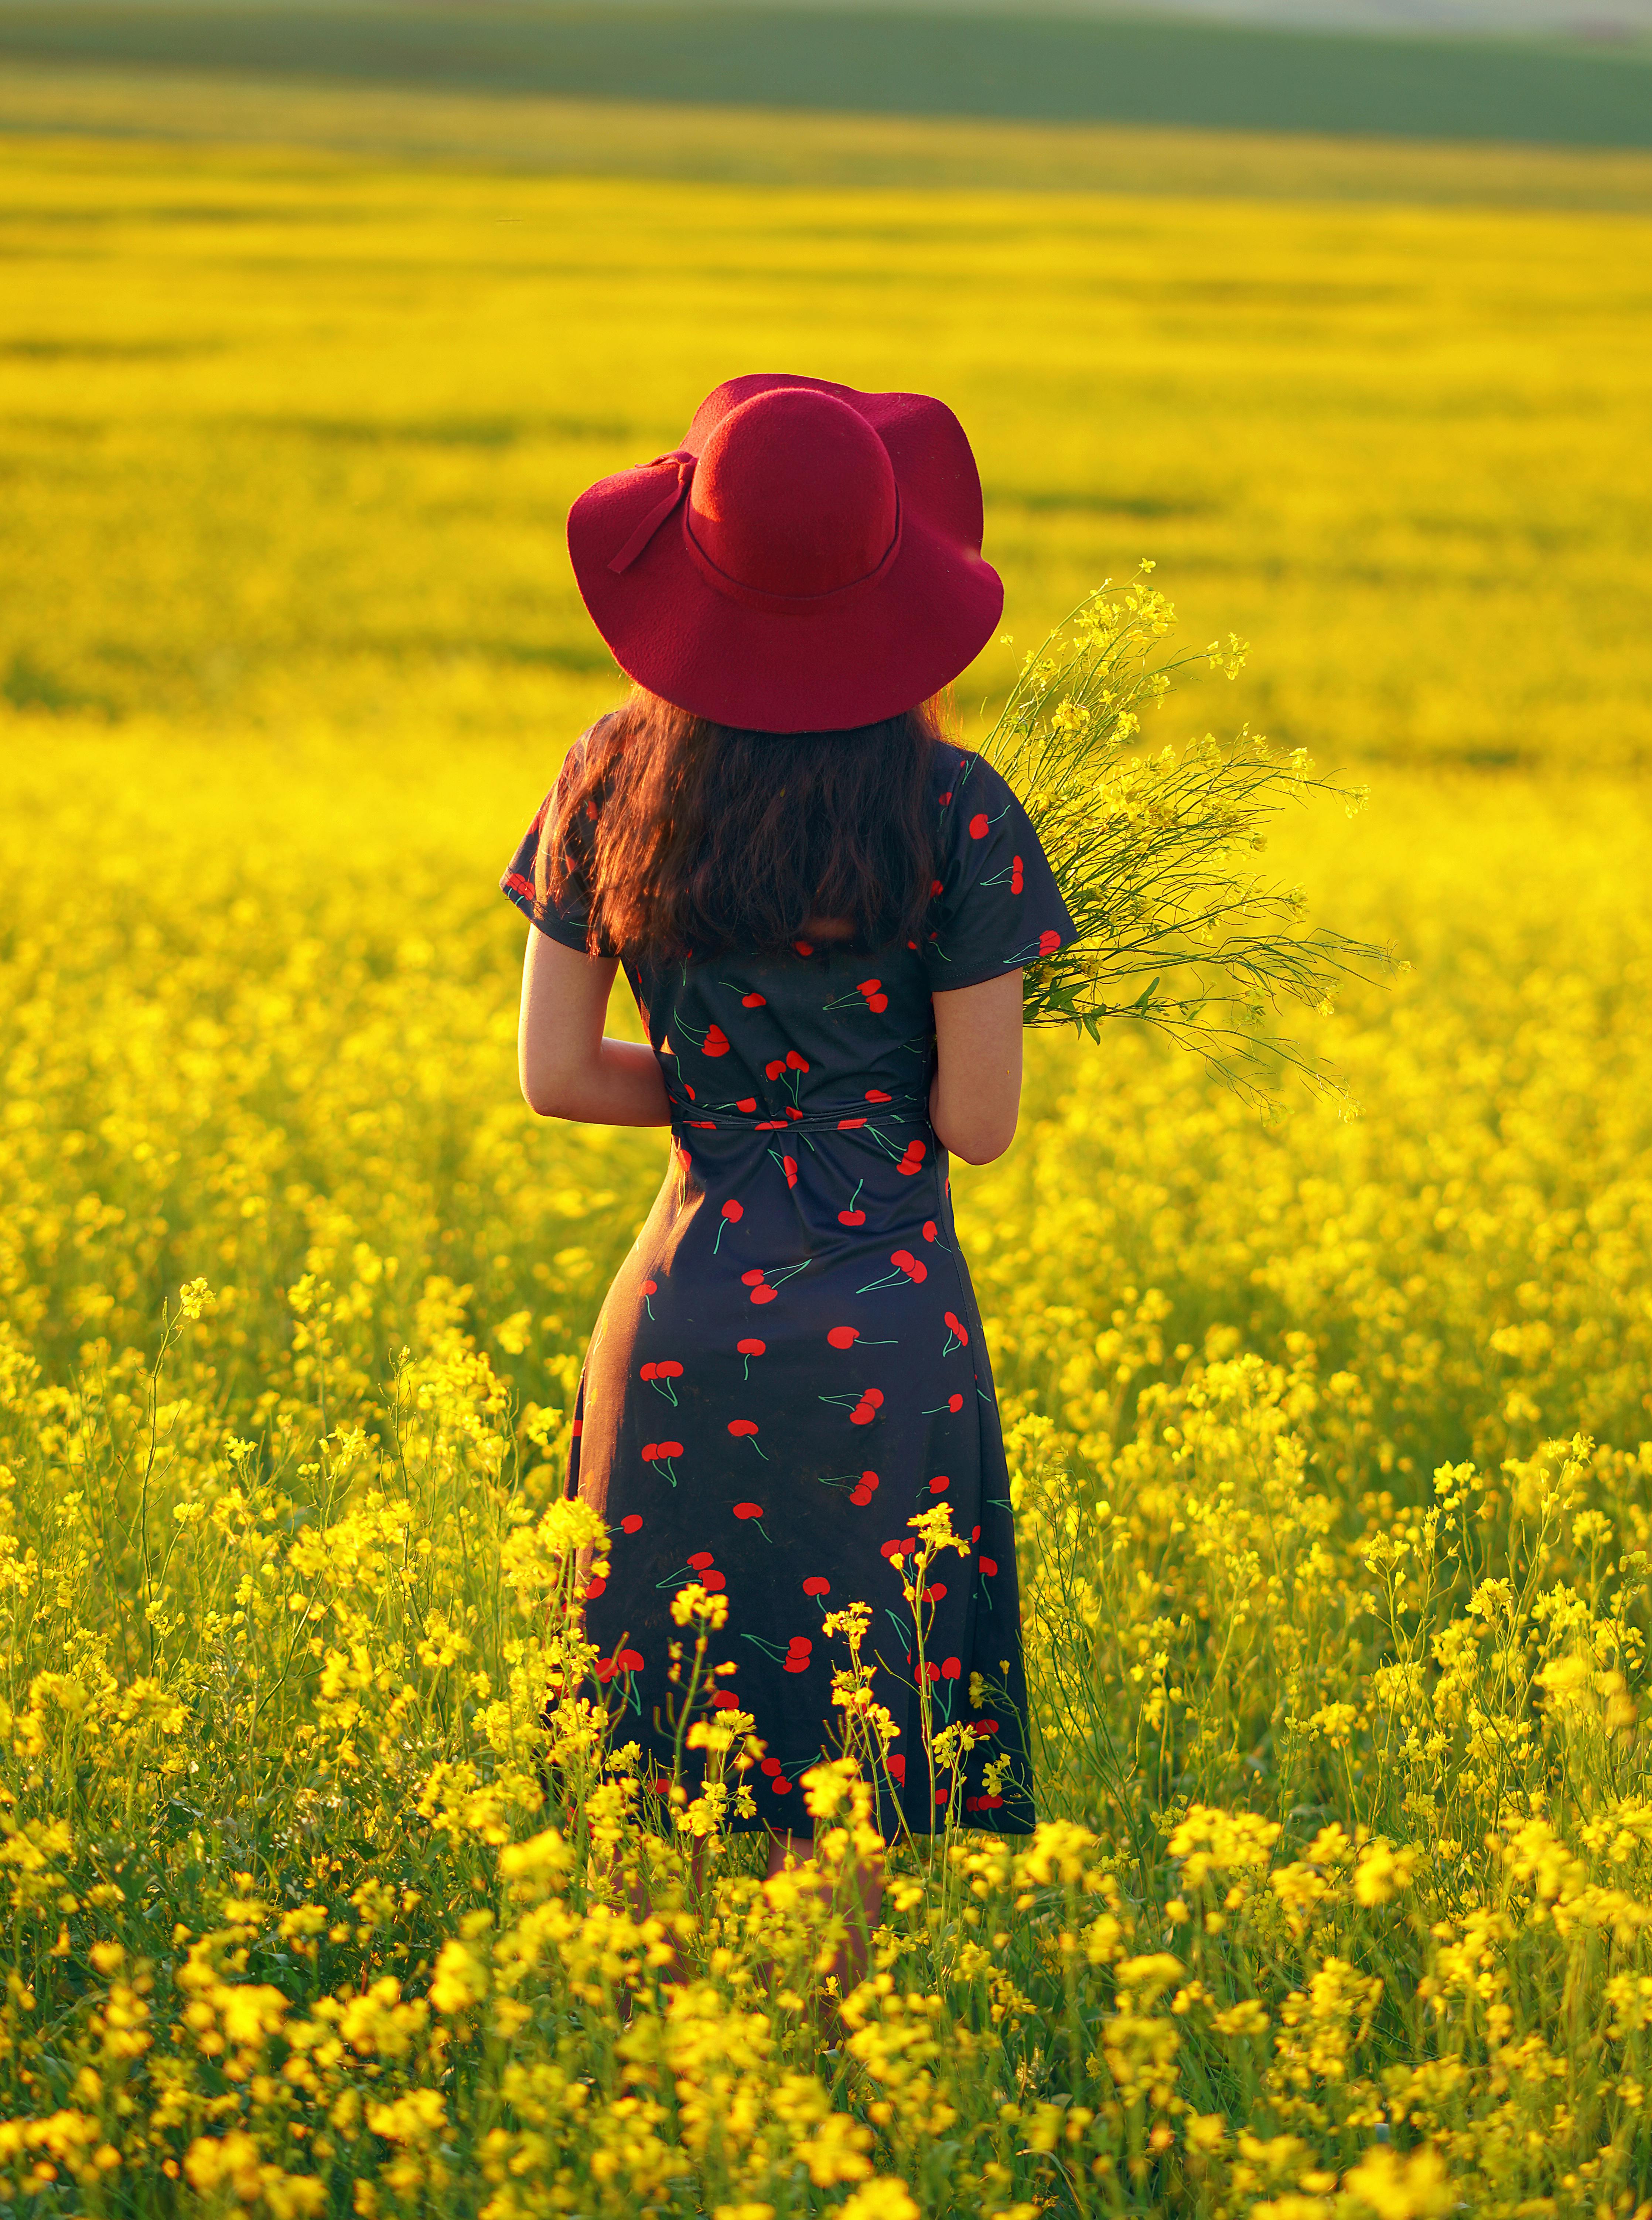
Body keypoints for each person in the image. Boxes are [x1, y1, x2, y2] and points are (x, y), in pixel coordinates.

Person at [500, 374, 1076, 1944]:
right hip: (885, 1331)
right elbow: (975, 1123)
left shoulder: (611, 775)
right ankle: (817, 2116)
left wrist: (725, 1108)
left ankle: (651, 2121)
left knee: (653, 1755)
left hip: (678, 1319)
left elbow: (553, 1075)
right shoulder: (956, 811)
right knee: (852, 1759)